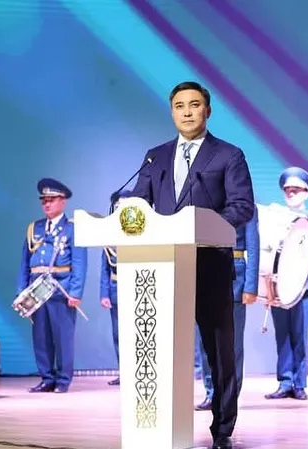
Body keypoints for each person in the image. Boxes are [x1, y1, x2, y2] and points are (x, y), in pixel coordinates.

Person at [129, 81, 255, 449]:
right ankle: (159, 425)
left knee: (218, 351)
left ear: (207, 111)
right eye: (179, 106)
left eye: (194, 104)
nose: (187, 111)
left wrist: (201, 225)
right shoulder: (155, 157)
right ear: (172, 112)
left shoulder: (228, 155)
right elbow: (139, 204)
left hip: (210, 265)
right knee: (161, 351)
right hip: (162, 268)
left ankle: (222, 429)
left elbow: (242, 207)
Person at [18, 178, 88, 394]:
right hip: (36, 290)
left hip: (60, 289)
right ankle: (47, 378)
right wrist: (21, 291)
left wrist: (75, 292)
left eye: (51, 199)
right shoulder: (34, 228)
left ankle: (63, 380)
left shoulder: (72, 228)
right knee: (41, 337)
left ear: (63, 201)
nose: (47, 204)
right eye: (44, 200)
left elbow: (79, 263)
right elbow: (24, 263)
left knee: (63, 338)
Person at [263, 167, 308, 401]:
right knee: (282, 334)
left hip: (303, 285)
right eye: (288, 190)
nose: (291, 194)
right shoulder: (276, 218)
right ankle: (285, 381)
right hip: (279, 285)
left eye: (296, 190)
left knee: (300, 333)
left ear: (306, 192)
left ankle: (300, 383)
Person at [195, 209, 260, 410]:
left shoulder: (244, 205)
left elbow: (253, 246)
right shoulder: (202, 203)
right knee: (205, 341)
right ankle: (211, 392)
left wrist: (250, 286)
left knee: (232, 343)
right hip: (204, 273)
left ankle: (229, 395)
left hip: (235, 276)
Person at [100, 190, 134, 387]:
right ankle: (124, 373)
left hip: (137, 288)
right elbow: (105, 267)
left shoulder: (140, 230)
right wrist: (104, 294)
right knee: (119, 335)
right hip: (116, 288)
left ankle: (138, 372)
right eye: (118, 206)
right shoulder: (110, 234)